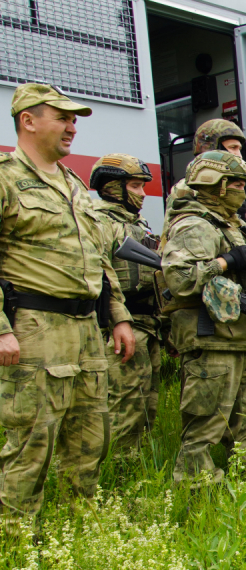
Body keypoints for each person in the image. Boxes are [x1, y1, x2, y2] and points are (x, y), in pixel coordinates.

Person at [0, 83, 136, 523]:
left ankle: (78, 535)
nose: (72, 127)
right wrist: (1, 329)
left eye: (75, 120)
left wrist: (118, 317)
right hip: (34, 329)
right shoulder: (5, 177)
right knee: (30, 444)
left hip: (85, 333)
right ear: (28, 120)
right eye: (63, 117)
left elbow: (97, 258)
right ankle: (15, 546)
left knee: (90, 440)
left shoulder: (74, 184)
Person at [161, 151, 246, 486]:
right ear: (216, 185)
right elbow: (181, 280)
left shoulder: (230, 226)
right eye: (235, 183)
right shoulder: (194, 225)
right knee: (205, 429)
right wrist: (226, 261)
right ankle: (196, 500)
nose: (242, 190)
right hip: (211, 342)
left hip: (238, 340)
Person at [89, 153, 162, 450]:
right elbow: (99, 275)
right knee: (125, 405)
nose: (142, 194)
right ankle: (118, 472)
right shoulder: (100, 222)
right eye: (134, 186)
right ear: (112, 186)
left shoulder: (138, 224)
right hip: (120, 326)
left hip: (148, 324)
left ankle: (136, 467)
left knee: (147, 404)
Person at [166, 119, 246, 259]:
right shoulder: (187, 188)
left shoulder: (230, 186)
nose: (239, 155)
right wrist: (228, 260)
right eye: (233, 148)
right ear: (212, 149)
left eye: (239, 149)